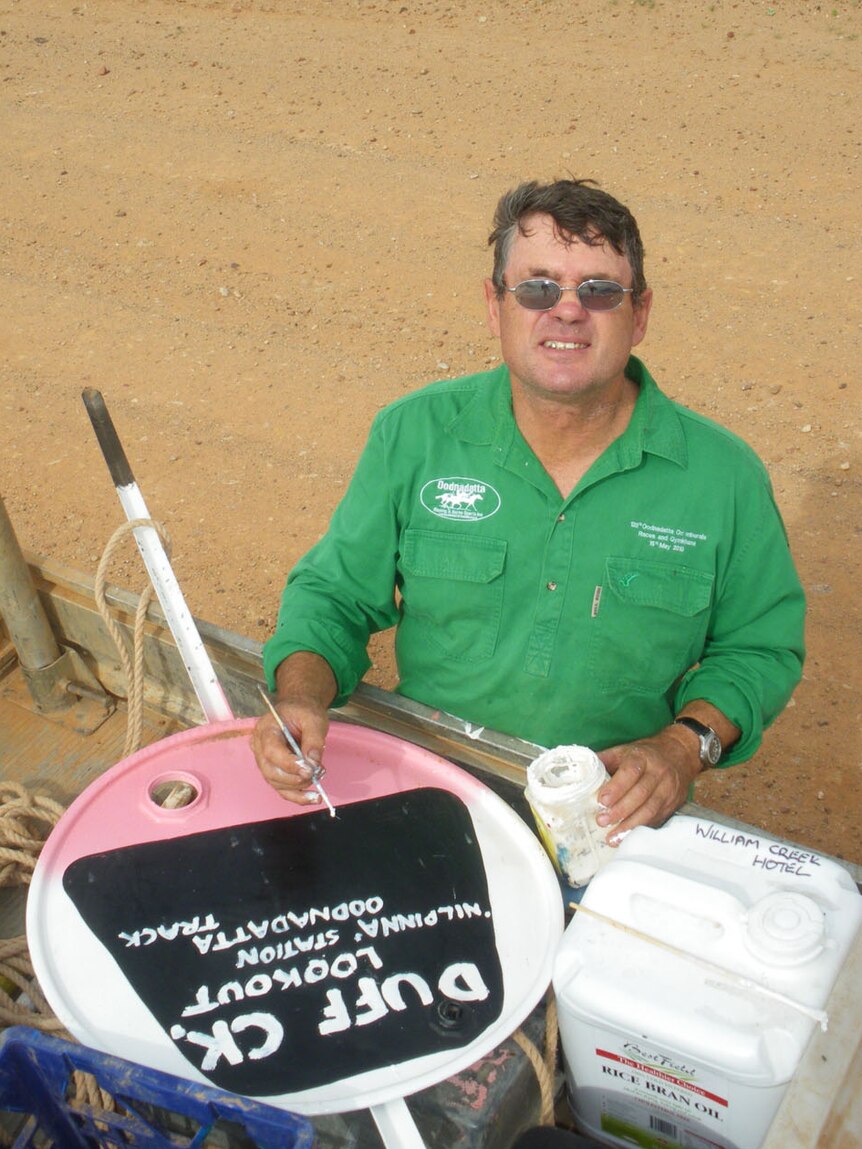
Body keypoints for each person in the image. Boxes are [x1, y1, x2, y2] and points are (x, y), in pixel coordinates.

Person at [252, 178, 805, 843]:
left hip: (610, 815)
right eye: (537, 288)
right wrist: (301, 698)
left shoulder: (723, 477)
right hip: (435, 793)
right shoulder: (415, 435)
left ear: (641, 312)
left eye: (599, 290)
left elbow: (759, 646)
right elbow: (333, 595)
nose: (567, 312)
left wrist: (683, 748)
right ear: (495, 305)